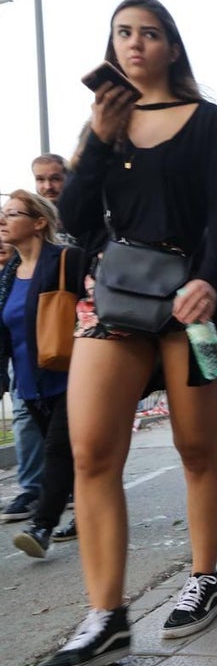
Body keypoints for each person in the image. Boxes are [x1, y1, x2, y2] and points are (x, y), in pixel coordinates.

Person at [33, 0, 217, 666]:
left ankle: (203, 577)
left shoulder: (206, 120)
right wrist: (97, 141)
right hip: (120, 297)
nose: (135, 44)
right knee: (92, 448)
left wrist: (212, 280)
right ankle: (105, 616)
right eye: (123, 33)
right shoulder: (107, 125)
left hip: (194, 301)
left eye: (149, 33)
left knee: (196, 447)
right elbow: (67, 221)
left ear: (172, 46)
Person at [1, 191, 85, 559]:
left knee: (57, 450)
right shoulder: (8, 273)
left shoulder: (67, 259)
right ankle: (89, 510)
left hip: (73, 376)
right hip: (30, 384)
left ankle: (42, 527)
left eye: (11, 214)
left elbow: (95, 309)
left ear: (39, 222)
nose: (2, 220)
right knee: (72, 456)